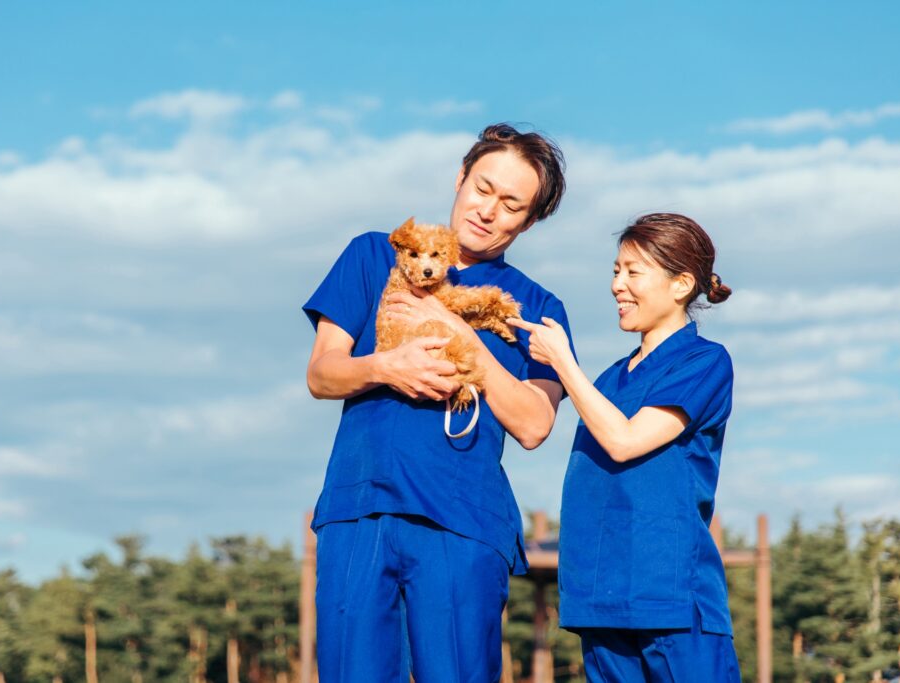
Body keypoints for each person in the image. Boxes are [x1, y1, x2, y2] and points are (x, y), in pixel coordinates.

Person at [303, 123, 572, 682]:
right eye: (482, 188)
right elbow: (322, 375)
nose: (488, 210)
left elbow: (533, 423)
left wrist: (463, 334)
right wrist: (383, 366)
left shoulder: (537, 307)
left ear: (531, 218)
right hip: (361, 508)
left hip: (464, 522)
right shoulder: (375, 254)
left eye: (511, 204)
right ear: (459, 177)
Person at [508, 213, 739, 682]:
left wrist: (564, 365)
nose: (618, 285)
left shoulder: (705, 361)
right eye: (616, 271)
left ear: (681, 285)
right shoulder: (609, 380)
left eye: (634, 272)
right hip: (601, 598)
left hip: (672, 598)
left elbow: (625, 441)